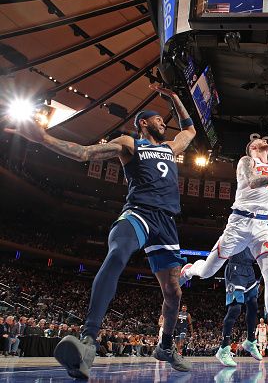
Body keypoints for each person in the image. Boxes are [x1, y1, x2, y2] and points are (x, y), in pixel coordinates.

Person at [5, 84, 196, 378]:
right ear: (143, 122)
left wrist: (174, 98)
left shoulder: (171, 148)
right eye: (158, 119)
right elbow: (84, 153)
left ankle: (166, 346)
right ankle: (88, 340)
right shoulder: (130, 144)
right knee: (118, 253)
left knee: (173, 293)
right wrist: (43, 138)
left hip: (167, 223)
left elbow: (190, 130)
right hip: (139, 213)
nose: (163, 122)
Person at [179, 110, 268, 356]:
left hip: (263, 227)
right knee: (209, 271)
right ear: (252, 147)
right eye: (257, 141)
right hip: (240, 224)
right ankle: (189, 269)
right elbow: (253, 182)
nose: (263, 140)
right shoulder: (246, 162)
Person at [215, 248, 263, 367]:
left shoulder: (259, 231)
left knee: (253, 304)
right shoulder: (236, 230)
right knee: (235, 309)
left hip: (249, 270)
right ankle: (224, 348)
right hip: (234, 270)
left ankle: (250, 341)